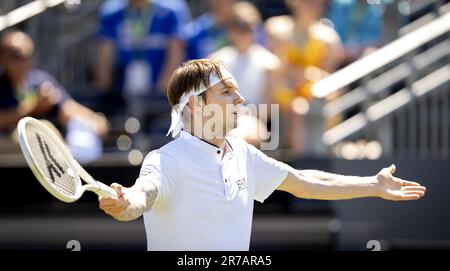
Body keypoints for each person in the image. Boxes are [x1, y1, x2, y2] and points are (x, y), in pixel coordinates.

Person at [99, 59, 426, 251]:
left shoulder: (243, 153)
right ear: (197, 103)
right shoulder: (164, 160)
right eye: (227, 92)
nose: (241, 99)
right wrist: (126, 203)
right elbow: (143, 195)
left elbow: (306, 181)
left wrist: (374, 184)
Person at [0, 31, 108, 161]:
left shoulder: (40, 81)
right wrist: (31, 108)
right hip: (10, 155)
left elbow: (67, 109)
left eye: (27, 56)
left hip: (48, 156)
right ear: (3, 58)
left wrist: (94, 119)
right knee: (27, 135)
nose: (23, 62)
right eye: (16, 56)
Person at [265, 0, 344, 154]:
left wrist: (309, 76)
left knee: (327, 100)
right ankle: (300, 163)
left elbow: (328, 74)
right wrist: (303, 75)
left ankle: (325, 153)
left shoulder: (329, 37)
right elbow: (279, 68)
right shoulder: (277, 28)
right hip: (286, 88)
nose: (313, 6)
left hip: (312, 90)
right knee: (297, 109)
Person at [95, 0, 184, 116]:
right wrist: (107, 96)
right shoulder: (110, 12)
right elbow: (104, 60)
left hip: (161, 97)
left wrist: (159, 97)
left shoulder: (171, 10)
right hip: (122, 96)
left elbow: (175, 56)